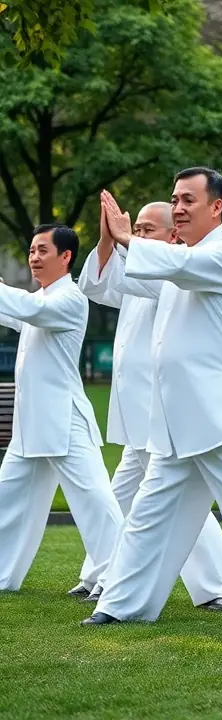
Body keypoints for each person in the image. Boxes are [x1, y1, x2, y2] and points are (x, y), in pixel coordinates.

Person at [82, 168, 222, 626]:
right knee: (150, 516)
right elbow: (108, 285)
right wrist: (109, 239)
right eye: (174, 199)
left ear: (216, 207)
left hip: (219, 414)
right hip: (175, 421)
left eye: (188, 200)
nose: (178, 207)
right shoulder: (175, 261)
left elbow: (177, 265)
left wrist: (128, 239)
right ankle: (122, 606)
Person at [70, 197, 222, 610]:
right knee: (123, 497)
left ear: (171, 236)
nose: (140, 235)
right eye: (140, 228)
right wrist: (107, 238)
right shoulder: (147, 268)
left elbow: (149, 269)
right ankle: (102, 574)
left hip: (164, 411)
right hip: (137, 411)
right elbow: (96, 284)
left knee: (174, 501)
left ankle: (220, 587)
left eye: (149, 229)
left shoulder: (178, 269)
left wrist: (129, 240)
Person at [0, 224, 122, 591]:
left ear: (65, 257)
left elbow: (29, 308)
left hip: (65, 423)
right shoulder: (43, 301)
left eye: (42, 251)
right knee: (7, 501)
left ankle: (119, 578)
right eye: (32, 251)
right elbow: (17, 313)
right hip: (30, 428)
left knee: (96, 504)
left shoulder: (69, 299)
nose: (34, 258)